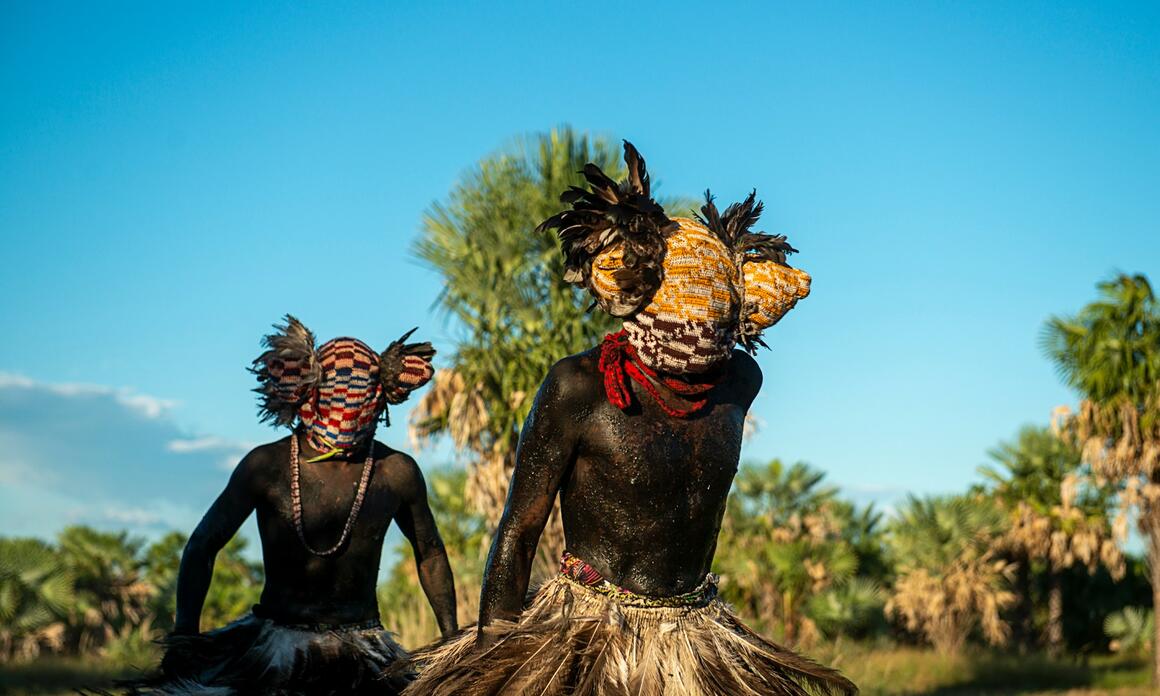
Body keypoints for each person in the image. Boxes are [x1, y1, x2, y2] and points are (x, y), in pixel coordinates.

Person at [406, 143, 855, 695]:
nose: (694, 345)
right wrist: (492, 661)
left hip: (695, 632)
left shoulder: (738, 381)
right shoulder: (580, 385)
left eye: (708, 330)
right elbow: (520, 529)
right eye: (682, 329)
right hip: (587, 632)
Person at [127, 317, 457, 695]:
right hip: (271, 645)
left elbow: (429, 552)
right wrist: (185, 636)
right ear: (308, 394)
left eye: (358, 397)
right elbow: (203, 545)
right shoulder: (267, 467)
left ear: (379, 397)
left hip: (365, 647)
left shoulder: (395, 473)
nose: (346, 410)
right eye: (337, 396)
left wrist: (452, 643)